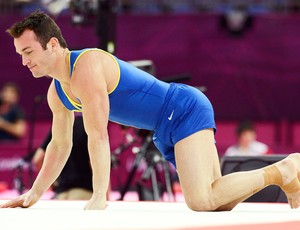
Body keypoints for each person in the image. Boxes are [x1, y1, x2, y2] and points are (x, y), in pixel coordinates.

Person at [1, 10, 300, 211]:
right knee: (217, 202)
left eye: (29, 52)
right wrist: (34, 193)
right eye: (20, 54)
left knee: (200, 200)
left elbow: (98, 136)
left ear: (52, 45)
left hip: (181, 108)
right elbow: (60, 145)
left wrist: (98, 196)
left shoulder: (87, 67)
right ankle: (284, 174)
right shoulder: (57, 93)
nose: (24, 61)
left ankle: (282, 170)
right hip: (166, 124)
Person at [32, 115, 93, 200]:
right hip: (85, 193)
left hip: (61, 194)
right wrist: (103, 195)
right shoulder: (92, 127)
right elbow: (96, 165)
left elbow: (37, 159)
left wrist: (52, 183)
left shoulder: (60, 125)